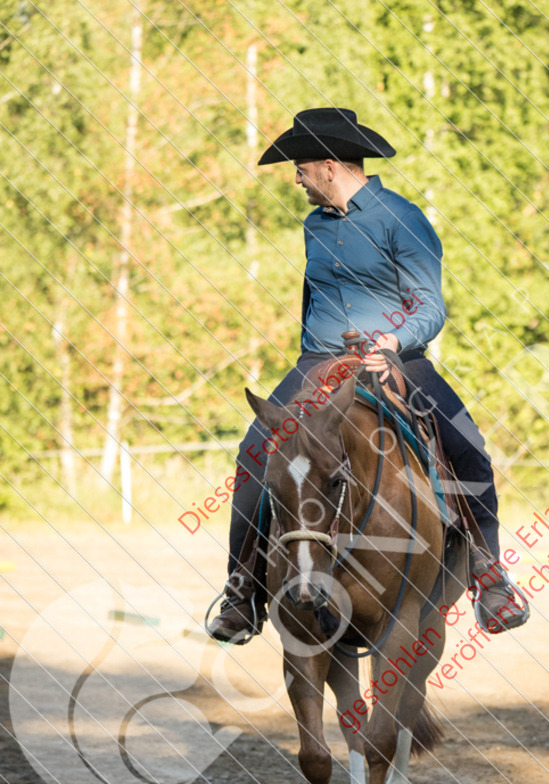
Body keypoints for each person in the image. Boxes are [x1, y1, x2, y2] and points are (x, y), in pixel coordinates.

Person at [207, 107, 527, 643]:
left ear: (330, 167)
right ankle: (243, 590)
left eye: (301, 169)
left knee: (468, 448)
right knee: (254, 451)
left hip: (396, 357)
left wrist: (394, 341)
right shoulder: (314, 226)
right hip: (318, 361)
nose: (297, 179)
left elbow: (430, 305)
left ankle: (488, 576)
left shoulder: (402, 218)